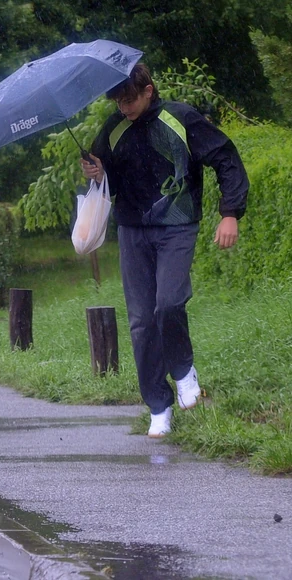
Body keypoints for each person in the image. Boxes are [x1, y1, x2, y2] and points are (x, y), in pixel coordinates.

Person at [80, 63, 249, 438]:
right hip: (132, 230)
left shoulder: (181, 117)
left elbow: (225, 158)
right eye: (118, 102)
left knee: (169, 303)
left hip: (177, 225)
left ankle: (184, 370)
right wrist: (98, 173)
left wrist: (230, 213)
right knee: (141, 321)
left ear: (148, 91)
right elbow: (111, 182)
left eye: (129, 100)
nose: (123, 107)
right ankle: (158, 406)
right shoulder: (114, 128)